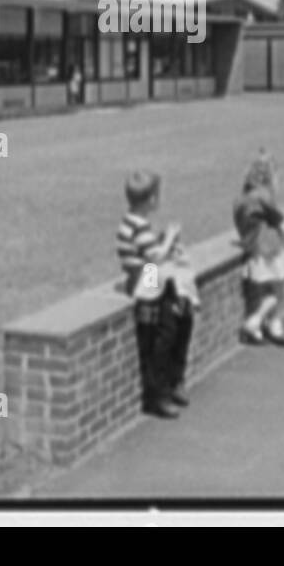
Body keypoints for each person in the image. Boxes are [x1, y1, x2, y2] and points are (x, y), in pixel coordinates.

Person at [117, 170, 196, 418]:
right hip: (144, 282)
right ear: (151, 199)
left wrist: (165, 243)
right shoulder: (138, 226)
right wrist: (170, 237)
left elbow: (151, 252)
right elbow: (154, 257)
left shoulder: (133, 222)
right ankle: (157, 394)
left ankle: (174, 380)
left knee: (183, 312)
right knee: (164, 333)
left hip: (148, 277)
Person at [232, 151, 284, 347]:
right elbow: (279, 220)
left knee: (259, 291)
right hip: (269, 248)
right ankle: (255, 322)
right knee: (278, 291)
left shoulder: (240, 200)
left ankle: (265, 326)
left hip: (253, 248)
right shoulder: (263, 196)